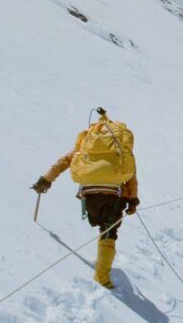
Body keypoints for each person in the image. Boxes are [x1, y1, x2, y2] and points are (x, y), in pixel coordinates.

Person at [31, 108, 139, 290]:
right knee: (108, 232)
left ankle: (102, 271)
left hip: (89, 192)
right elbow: (131, 173)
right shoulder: (120, 144)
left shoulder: (88, 140)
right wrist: (132, 199)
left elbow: (65, 160)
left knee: (101, 226)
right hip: (113, 193)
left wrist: (46, 180)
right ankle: (102, 277)